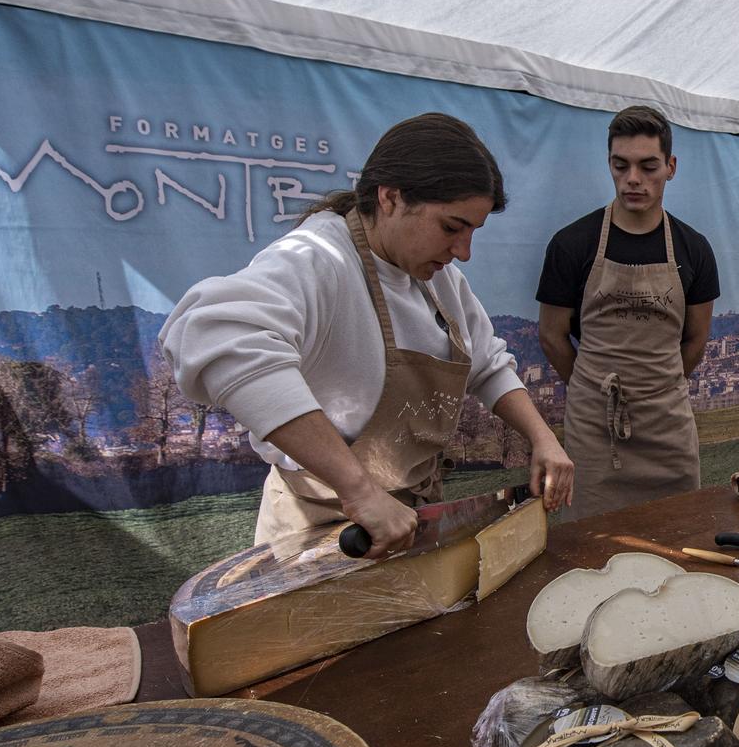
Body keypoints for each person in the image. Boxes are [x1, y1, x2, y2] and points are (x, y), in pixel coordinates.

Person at [161, 112, 575, 553]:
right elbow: (211, 335)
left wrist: (542, 438)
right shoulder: (316, 258)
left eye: (473, 231)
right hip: (323, 528)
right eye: (452, 228)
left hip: (407, 513)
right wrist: (357, 489)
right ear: (391, 197)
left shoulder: (440, 280)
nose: (463, 252)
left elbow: (486, 364)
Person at [536, 105, 720, 518]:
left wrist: (657, 389)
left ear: (671, 167)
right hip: (594, 433)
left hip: (667, 429)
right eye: (621, 166)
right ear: (610, 165)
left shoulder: (694, 249)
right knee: (589, 542)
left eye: (648, 166)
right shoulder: (571, 244)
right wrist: (591, 388)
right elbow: (551, 335)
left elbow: (695, 339)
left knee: (677, 532)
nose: (633, 179)